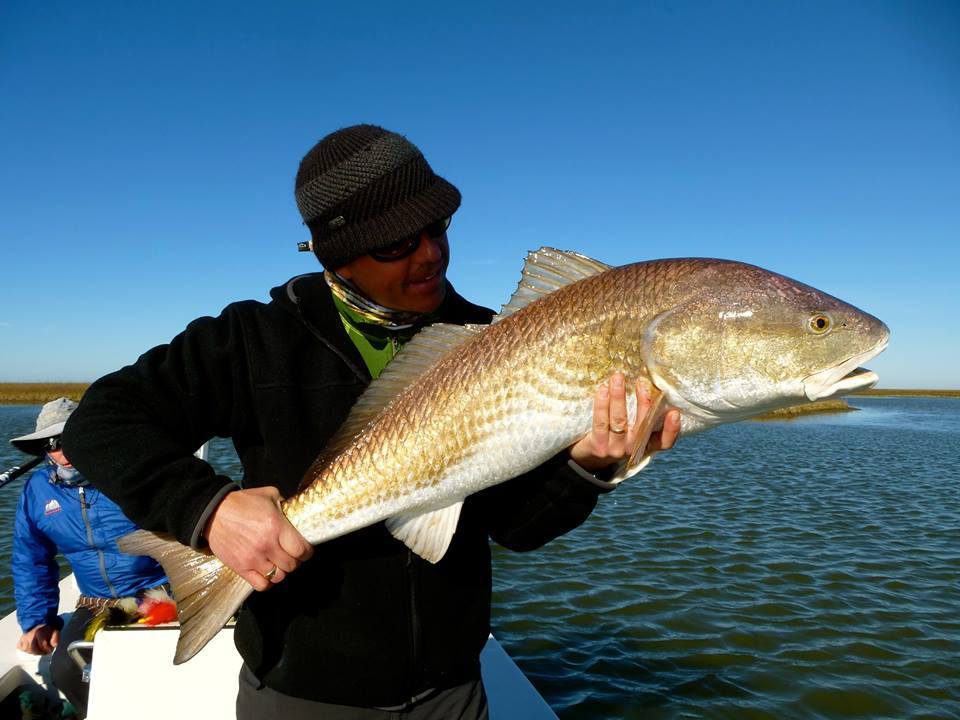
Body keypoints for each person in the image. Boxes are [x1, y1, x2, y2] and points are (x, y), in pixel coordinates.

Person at [63, 124, 682, 719]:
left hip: (452, 689)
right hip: (301, 692)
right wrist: (208, 510)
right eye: (396, 243)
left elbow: (515, 528)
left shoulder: (494, 342)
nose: (430, 254)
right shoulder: (255, 339)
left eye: (437, 227)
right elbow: (102, 420)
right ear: (338, 255)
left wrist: (587, 468)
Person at [11, 397, 170, 719]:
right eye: (51, 444)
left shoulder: (130, 472)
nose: (63, 453)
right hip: (95, 602)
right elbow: (31, 560)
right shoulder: (37, 491)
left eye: (70, 439)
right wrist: (38, 622)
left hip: (162, 591)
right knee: (68, 670)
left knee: (157, 658)